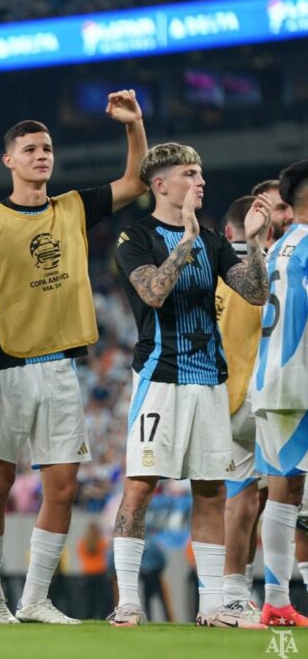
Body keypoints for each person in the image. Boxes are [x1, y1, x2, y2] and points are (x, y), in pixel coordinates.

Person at [0, 90, 147, 624]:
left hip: (63, 366)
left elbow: (134, 182)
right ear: (9, 160)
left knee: (63, 487)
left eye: (47, 148)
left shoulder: (71, 207)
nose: (42, 155)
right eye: (30, 149)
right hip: (5, 364)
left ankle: (36, 599)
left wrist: (133, 125)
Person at [108, 142, 270, 628]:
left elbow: (256, 291)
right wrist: (184, 243)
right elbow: (153, 293)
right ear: (161, 184)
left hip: (209, 378)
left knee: (211, 491)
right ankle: (129, 600)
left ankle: (212, 604)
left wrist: (256, 245)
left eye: (200, 174)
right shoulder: (133, 236)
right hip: (159, 375)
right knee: (140, 486)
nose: (200, 182)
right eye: (190, 174)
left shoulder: (214, 242)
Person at [218, 192, 287, 622]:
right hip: (274, 397)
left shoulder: (217, 273)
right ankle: (280, 596)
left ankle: (233, 596)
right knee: (287, 497)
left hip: (228, 396)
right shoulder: (275, 266)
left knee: (243, 499)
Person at [252, 159, 308, 627]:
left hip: (270, 380)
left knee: (283, 492)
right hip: (297, 381)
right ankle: (276, 600)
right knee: (286, 492)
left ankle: (276, 600)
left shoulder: (279, 247)